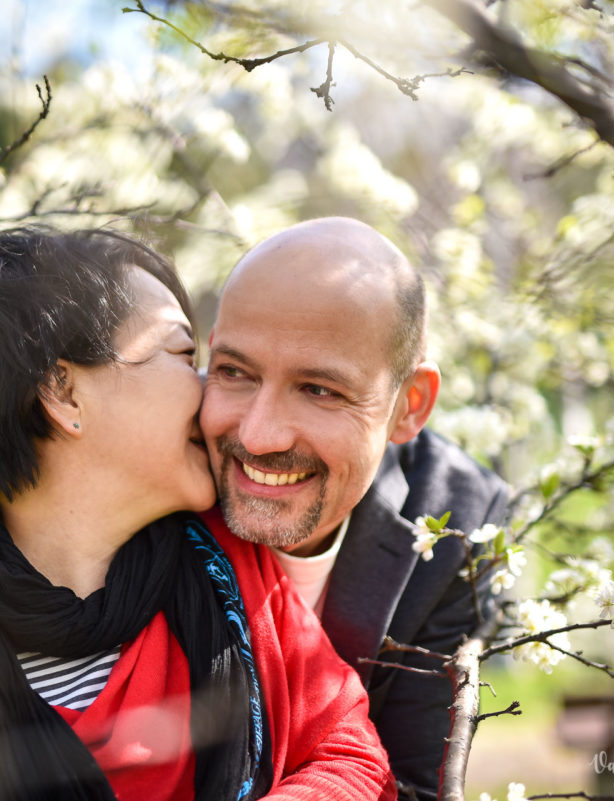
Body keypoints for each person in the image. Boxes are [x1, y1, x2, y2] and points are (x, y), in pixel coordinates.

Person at [0, 227, 392, 801]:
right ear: (64, 392)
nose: (212, 389)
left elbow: (351, 757)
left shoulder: (226, 566)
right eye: (183, 355)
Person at [199, 217, 509, 801]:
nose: (259, 435)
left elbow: (411, 785)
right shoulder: (151, 460)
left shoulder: (458, 523)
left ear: (409, 405)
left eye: (319, 390)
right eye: (234, 372)